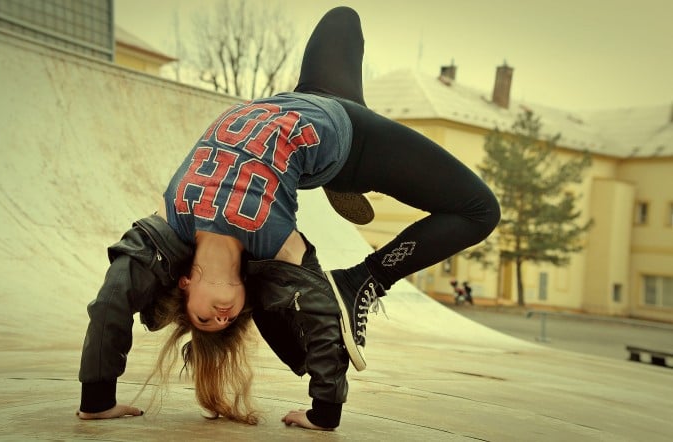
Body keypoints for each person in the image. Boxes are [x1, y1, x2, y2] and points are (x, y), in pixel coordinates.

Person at [76, 6, 500, 431]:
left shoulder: (171, 223)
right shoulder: (273, 245)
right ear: (246, 300)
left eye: (206, 318)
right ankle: (364, 279)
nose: (222, 314)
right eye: (228, 320)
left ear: (185, 285)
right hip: (354, 141)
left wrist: (97, 396)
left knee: (342, 16)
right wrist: (323, 411)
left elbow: (113, 300)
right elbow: (321, 318)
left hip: (307, 97)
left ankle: (331, 182)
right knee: (480, 210)